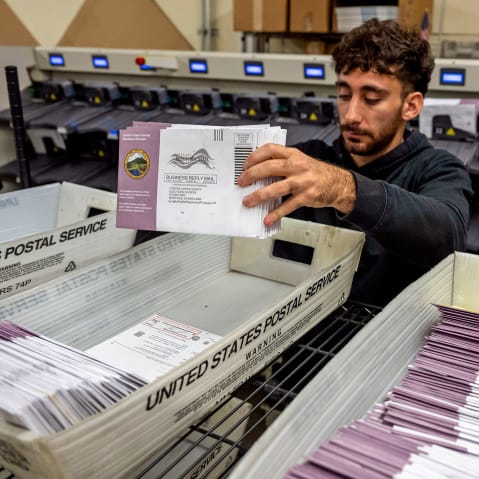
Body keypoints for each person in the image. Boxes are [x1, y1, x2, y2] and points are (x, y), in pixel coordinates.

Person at [237, 18, 473, 307]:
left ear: (411, 105)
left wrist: (343, 189)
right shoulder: (307, 158)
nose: (350, 115)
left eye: (372, 99)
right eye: (344, 95)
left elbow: (447, 235)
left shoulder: (437, 169)